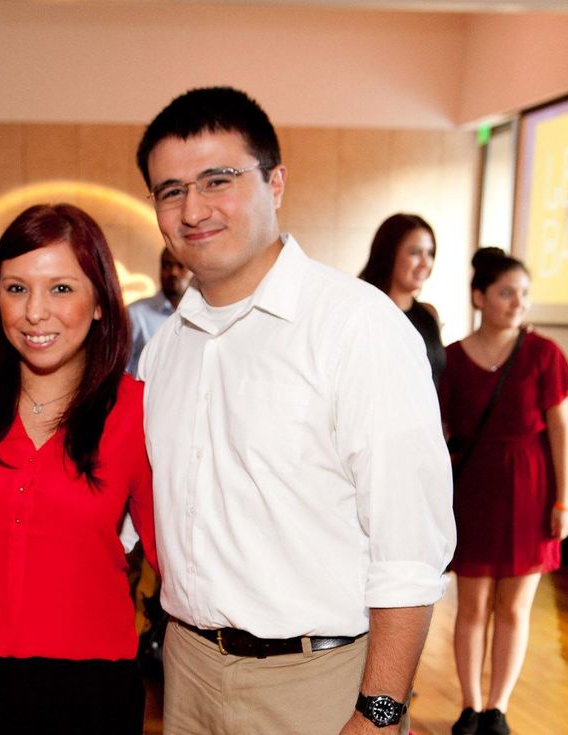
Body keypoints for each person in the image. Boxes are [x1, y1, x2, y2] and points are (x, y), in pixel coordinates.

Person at [135, 86, 455, 735]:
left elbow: (410, 548)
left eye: (217, 180)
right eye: (170, 190)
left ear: (275, 182)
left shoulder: (357, 327)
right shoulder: (166, 347)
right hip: (188, 671)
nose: (193, 208)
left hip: (318, 684)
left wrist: (382, 710)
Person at [0, 203, 156, 735]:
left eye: (62, 288)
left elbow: (175, 553)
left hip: (92, 690)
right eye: (16, 288)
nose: (35, 312)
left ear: (100, 302)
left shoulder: (136, 410)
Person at [439, 248, 568, 735]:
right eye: (506, 292)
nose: (518, 302)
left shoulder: (544, 354)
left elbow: (560, 429)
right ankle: (470, 707)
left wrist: (564, 500)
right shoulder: (452, 358)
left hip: (533, 488)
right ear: (480, 297)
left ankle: (498, 708)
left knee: (514, 607)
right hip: (474, 489)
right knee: (472, 607)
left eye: (524, 294)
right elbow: (442, 433)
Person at [359, 213, 445, 383]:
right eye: (415, 253)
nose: (425, 263)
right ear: (389, 254)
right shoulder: (364, 311)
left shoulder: (429, 314)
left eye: (430, 253)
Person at [126, 247, 191, 374]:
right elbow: (119, 368)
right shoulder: (135, 313)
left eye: (181, 266)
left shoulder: (202, 315)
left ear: (193, 271)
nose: (173, 272)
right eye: (167, 265)